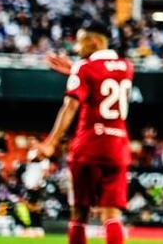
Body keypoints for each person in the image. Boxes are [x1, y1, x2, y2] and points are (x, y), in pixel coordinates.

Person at [35, 19, 134, 244]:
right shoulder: (127, 66)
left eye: (81, 43)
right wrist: (75, 70)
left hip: (89, 147)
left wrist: (50, 142)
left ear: (95, 41)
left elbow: (70, 106)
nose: (78, 49)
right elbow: (103, 79)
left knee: (80, 213)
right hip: (118, 148)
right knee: (112, 216)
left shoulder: (84, 67)